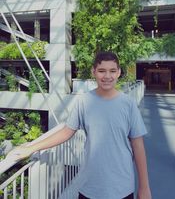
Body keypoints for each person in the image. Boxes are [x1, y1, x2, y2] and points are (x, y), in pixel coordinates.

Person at [7, 51, 151, 199]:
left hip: (122, 186)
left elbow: (138, 145)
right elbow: (66, 132)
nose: (107, 76)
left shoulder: (128, 104)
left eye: (112, 71)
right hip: (90, 185)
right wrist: (31, 147)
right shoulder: (84, 101)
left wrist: (144, 188)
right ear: (93, 71)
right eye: (102, 71)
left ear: (119, 72)